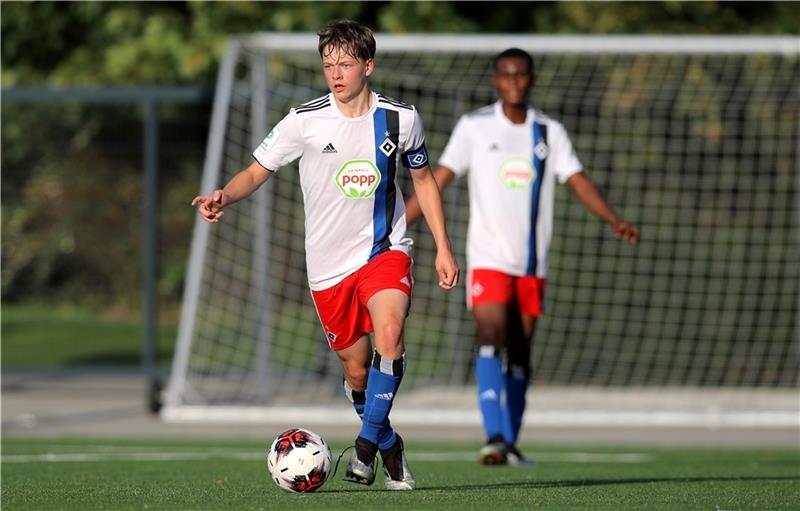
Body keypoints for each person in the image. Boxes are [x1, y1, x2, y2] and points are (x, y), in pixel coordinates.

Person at [192, 20, 459, 489]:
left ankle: (364, 448)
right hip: (328, 267)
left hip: (384, 251)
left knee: (390, 334)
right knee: (356, 371)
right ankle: (389, 444)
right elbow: (256, 171)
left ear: (368, 66)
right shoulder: (304, 120)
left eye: (345, 64)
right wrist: (224, 196)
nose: (335, 74)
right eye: (328, 65)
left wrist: (443, 247)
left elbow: (424, 181)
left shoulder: (401, 119)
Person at [405, 48, 639, 466]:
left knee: (520, 352)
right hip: (488, 258)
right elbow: (438, 177)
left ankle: (509, 443)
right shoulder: (475, 126)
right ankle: (493, 437)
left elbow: (578, 180)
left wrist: (614, 219)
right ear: (496, 80)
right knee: (489, 337)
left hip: (532, 263)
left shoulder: (549, 131)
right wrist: (399, 221)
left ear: (531, 79)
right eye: (506, 74)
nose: (513, 81)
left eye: (520, 74)